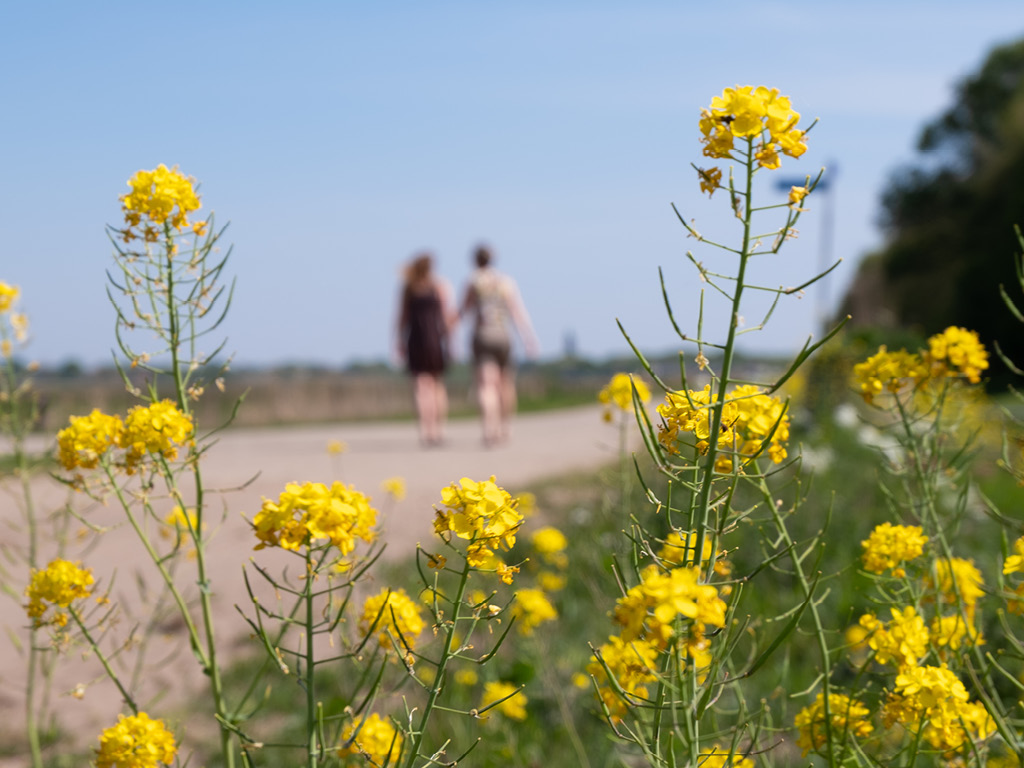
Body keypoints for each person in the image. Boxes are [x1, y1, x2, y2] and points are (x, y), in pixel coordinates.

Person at [459, 244, 539, 446]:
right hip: (504, 336)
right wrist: (529, 339)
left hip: (483, 336)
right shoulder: (505, 281)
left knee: (487, 385)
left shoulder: (473, 281)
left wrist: (449, 331)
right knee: (506, 383)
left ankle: (489, 430)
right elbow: (517, 312)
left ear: (475, 260)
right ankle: (506, 428)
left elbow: (463, 310)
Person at [396, 252, 455, 446]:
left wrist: (399, 342)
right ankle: (438, 430)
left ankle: (425, 430)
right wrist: (451, 343)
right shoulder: (439, 286)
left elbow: (401, 318)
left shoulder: (409, 287)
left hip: (416, 339)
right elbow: (447, 318)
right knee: (437, 386)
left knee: (421, 386)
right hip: (435, 340)